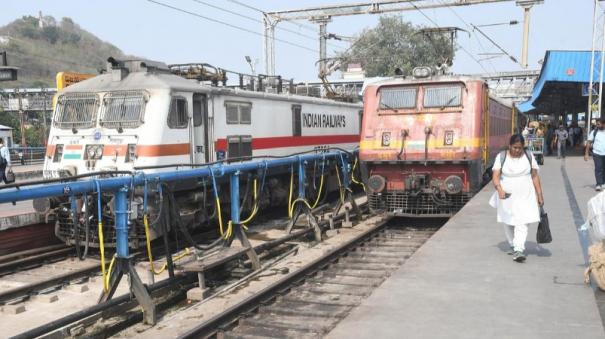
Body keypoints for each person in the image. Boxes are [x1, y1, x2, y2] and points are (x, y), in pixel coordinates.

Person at [490, 134, 544, 263]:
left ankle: (519, 249)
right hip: (507, 194)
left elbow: (535, 176)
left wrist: (539, 195)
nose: (517, 150)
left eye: (520, 148)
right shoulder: (501, 156)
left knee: (523, 221)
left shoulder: (529, 156)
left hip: (526, 194)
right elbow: (496, 175)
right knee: (508, 221)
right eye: (515, 147)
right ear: (509, 146)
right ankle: (513, 244)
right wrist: (499, 189)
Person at [585, 118, 605, 191]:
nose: (597, 125)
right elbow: (589, 142)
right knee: (598, 169)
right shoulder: (594, 132)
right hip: (597, 153)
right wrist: (586, 153)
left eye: (598, 124)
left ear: (603, 124)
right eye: (597, 124)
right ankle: (599, 184)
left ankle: (603, 182)